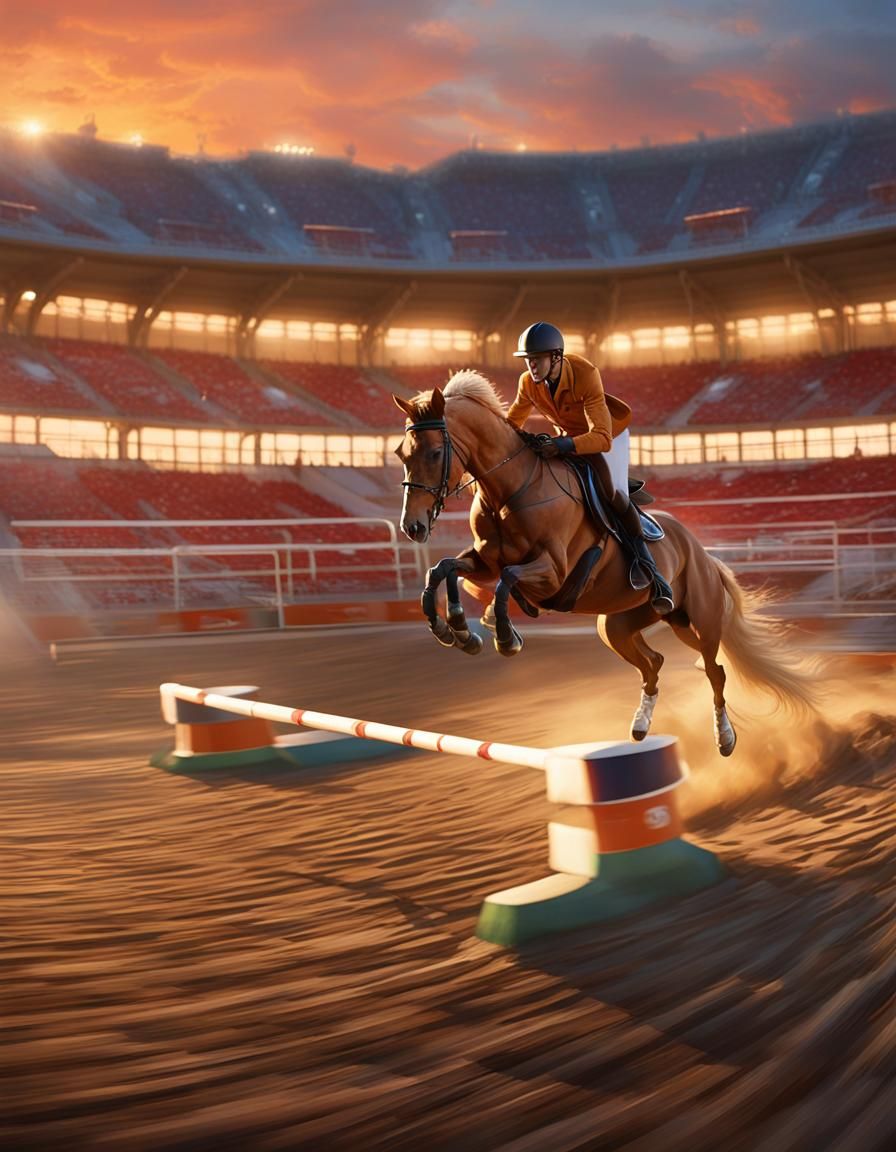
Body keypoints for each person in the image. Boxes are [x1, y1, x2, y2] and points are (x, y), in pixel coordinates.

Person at [506, 321, 674, 615]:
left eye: (537, 359)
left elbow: (601, 438)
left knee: (613, 493)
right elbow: (511, 424)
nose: (531, 366)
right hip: (565, 439)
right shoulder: (527, 383)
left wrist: (562, 445)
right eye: (528, 359)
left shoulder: (585, 374)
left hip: (608, 437)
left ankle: (649, 568)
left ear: (556, 357)